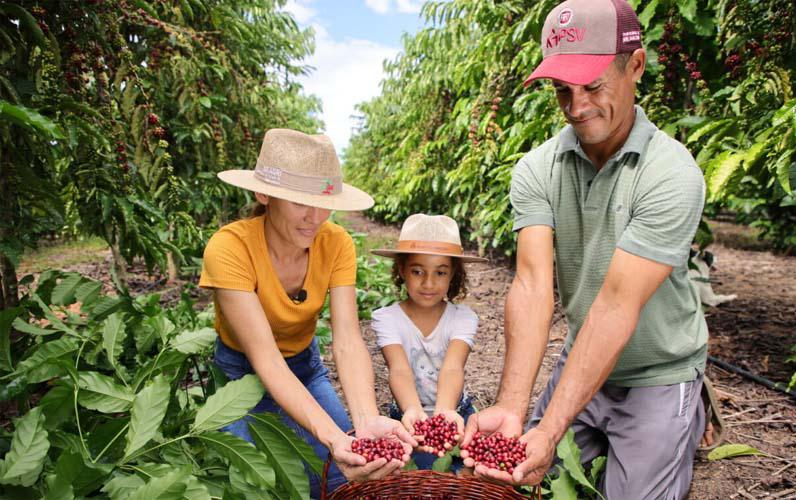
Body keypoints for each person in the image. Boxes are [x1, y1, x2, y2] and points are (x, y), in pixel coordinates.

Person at [461, 0, 714, 497]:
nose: (577, 108)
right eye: (562, 91)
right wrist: (513, 406)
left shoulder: (671, 174)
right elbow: (533, 285)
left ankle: (687, 413)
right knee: (522, 478)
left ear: (635, 66)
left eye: (594, 86)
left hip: (658, 371)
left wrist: (551, 429)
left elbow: (616, 306)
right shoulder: (536, 169)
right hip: (582, 358)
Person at [199, 129, 415, 498]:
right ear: (264, 194)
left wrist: (363, 421)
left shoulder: (336, 243)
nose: (314, 218)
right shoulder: (230, 249)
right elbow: (265, 359)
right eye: (300, 202)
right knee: (250, 484)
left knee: (337, 478)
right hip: (238, 375)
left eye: (323, 202)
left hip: (303, 365)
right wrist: (333, 437)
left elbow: (347, 339)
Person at [370, 214, 486, 470]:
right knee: (419, 479)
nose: (429, 283)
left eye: (440, 272)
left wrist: (444, 412)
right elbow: (398, 368)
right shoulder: (387, 319)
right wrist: (412, 410)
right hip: (408, 416)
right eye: (417, 271)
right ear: (402, 269)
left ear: (453, 273)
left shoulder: (462, 318)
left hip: (456, 412)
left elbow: (453, 366)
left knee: (465, 475)